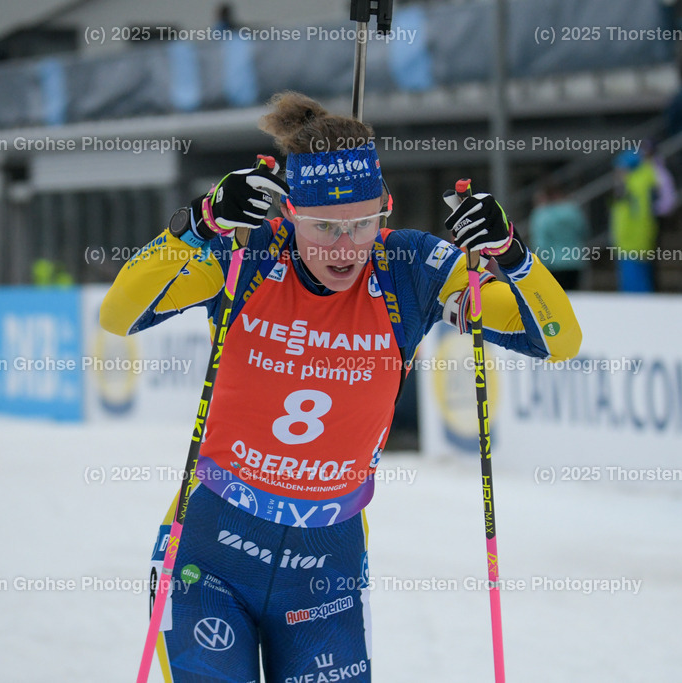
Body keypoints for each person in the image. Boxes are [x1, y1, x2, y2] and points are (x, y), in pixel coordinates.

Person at [99, 91, 581, 682]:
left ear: (387, 210)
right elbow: (120, 314)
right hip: (210, 555)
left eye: (361, 225)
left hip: (326, 570)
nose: (342, 247)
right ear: (289, 213)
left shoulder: (411, 270)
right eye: (323, 225)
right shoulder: (248, 252)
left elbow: (558, 339)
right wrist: (200, 225)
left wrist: (511, 254)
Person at [610, 149, 659, 292]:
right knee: (637, 283)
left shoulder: (635, 186)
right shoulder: (635, 184)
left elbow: (640, 216)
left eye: (620, 167)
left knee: (634, 287)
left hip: (632, 243)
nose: (617, 171)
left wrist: (637, 241)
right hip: (631, 242)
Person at [527, 185, 588, 290]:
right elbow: (584, 232)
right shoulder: (574, 212)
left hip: (552, 262)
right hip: (574, 260)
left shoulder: (542, 215)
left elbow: (540, 242)